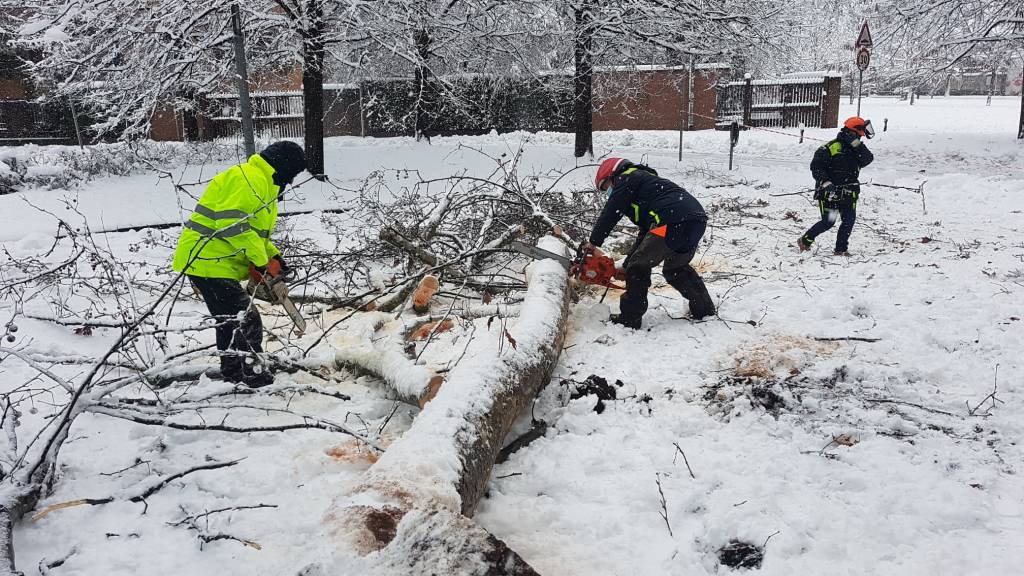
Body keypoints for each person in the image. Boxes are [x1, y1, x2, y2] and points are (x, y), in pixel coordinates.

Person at [171, 141, 306, 387]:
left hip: (216, 262)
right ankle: (253, 375)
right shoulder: (249, 179)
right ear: (284, 167)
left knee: (230, 321)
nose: (291, 182)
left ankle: (233, 372)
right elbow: (232, 225)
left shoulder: (264, 183)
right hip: (206, 260)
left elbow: (255, 233)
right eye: (293, 175)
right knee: (247, 318)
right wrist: (261, 262)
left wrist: (274, 257)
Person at [583, 158, 716, 329]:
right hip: (695, 221)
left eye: (606, 187)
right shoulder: (647, 187)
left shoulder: (627, 178)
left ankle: (630, 319)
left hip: (672, 220)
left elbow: (611, 212)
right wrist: (625, 264)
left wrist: (593, 243)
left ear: (613, 175)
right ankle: (704, 310)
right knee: (676, 269)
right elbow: (645, 234)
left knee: (638, 267)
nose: (608, 192)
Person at [798, 116, 875, 256]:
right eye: (859, 134)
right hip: (830, 193)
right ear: (853, 132)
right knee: (829, 221)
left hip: (849, 192)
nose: (861, 137)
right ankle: (805, 240)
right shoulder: (830, 148)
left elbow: (868, 159)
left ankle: (841, 249)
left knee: (849, 221)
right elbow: (816, 167)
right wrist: (825, 182)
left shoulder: (856, 149)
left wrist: (857, 144)